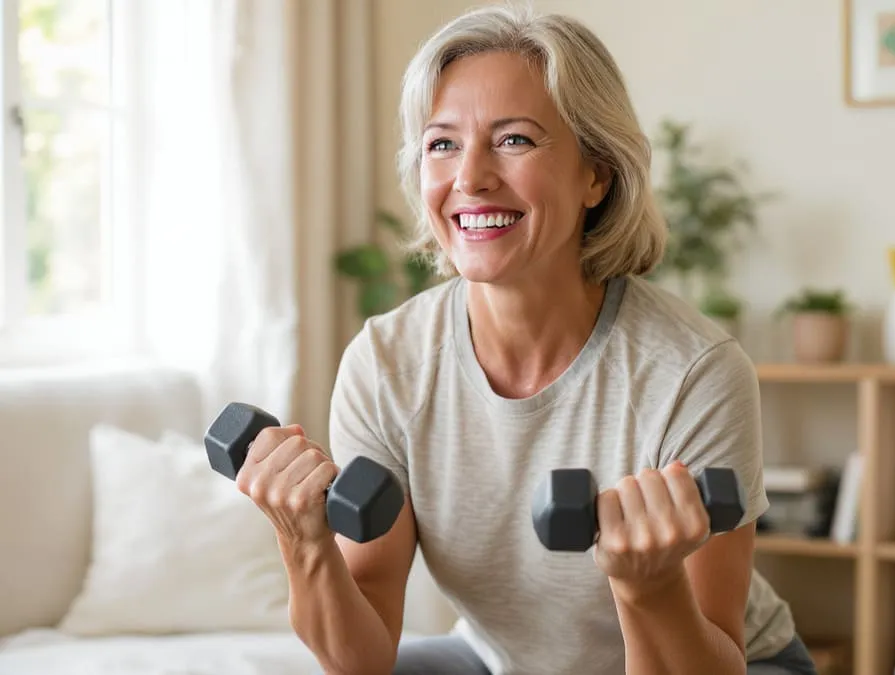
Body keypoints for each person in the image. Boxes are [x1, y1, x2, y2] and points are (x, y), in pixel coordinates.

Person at [235, 4, 819, 674]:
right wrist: (303, 539)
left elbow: (714, 658)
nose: (471, 176)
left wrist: (650, 586)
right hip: (503, 659)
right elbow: (361, 654)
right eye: (442, 143)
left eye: (514, 140)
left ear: (595, 174)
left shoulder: (694, 372)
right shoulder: (387, 363)